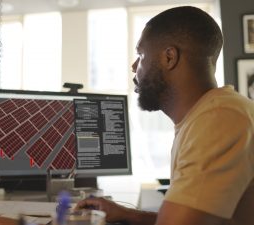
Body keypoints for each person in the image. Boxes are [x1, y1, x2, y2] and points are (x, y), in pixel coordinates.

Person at [76, 6, 254, 225]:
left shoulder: (219, 118)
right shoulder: (205, 116)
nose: (134, 66)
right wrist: (129, 215)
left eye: (140, 55)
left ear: (169, 57)